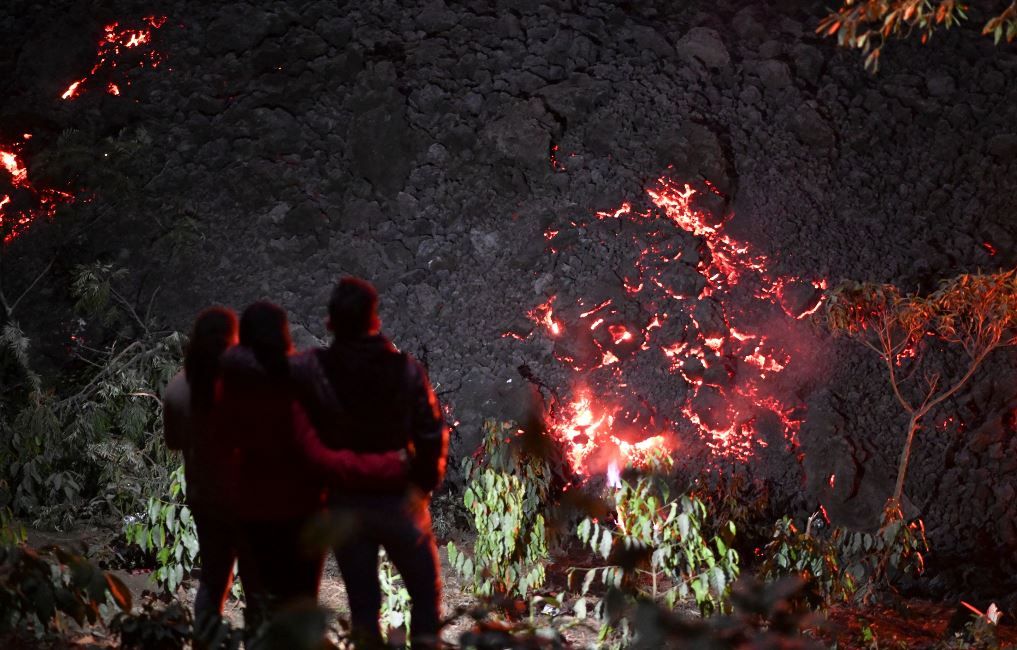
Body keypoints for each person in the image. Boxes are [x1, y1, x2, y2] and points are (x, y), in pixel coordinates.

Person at [215, 301, 410, 635]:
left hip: (250, 510)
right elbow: (318, 452)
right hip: (300, 512)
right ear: (283, 336)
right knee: (301, 606)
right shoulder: (296, 385)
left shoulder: (230, 386)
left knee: (259, 604)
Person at [291, 277, 449, 649]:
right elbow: (431, 433)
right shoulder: (405, 370)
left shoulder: (313, 370)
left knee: (363, 606)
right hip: (397, 498)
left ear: (330, 322)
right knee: (425, 594)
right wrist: (422, 485)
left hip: (344, 502)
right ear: (375, 320)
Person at [163, 306, 240, 630]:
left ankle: (206, 638)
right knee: (259, 580)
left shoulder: (178, 386)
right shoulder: (243, 384)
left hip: (204, 496)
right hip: (246, 496)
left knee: (213, 577)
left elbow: (173, 442)